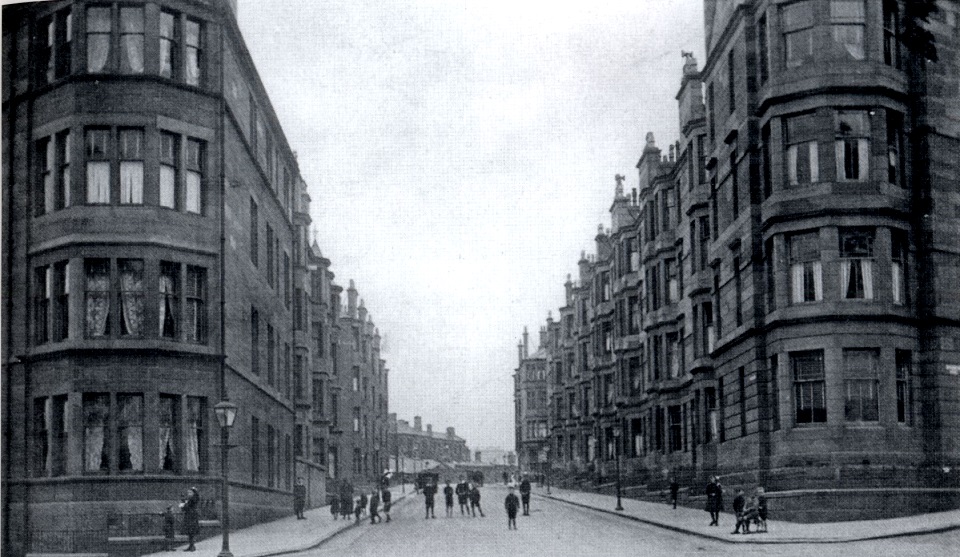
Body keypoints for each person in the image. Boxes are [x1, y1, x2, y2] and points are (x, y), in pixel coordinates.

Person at [179, 487, 199, 551]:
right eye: (188, 492)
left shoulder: (192, 499)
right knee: (190, 531)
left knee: (191, 531)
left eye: (190, 492)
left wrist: (183, 505)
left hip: (191, 516)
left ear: (193, 493)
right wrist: (184, 503)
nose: (188, 494)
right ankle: (191, 546)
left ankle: (192, 546)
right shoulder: (192, 498)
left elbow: (187, 507)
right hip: (190, 515)